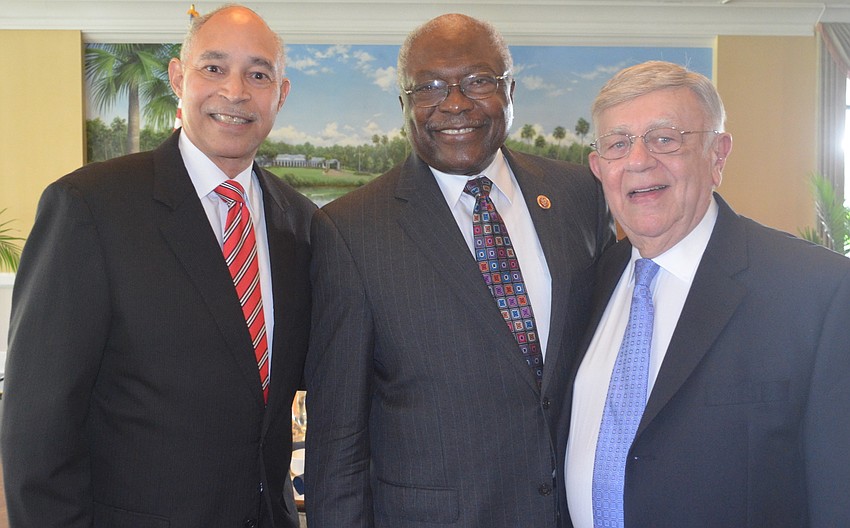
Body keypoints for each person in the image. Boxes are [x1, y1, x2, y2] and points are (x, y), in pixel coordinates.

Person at [1, 5, 315, 527]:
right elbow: (38, 425)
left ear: (280, 95)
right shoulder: (90, 207)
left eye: (258, 75)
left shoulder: (301, 223)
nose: (235, 91)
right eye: (213, 67)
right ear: (178, 78)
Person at [304, 13, 614, 528]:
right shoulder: (351, 229)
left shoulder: (580, 195)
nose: (454, 103)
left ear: (510, 91)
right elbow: (338, 438)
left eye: (478, 81)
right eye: (429, 87)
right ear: (404, 105)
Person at [564, 60, 850, 528]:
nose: (638, 161)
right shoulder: (585, 284)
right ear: (599, 169)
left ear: (718, 155)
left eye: (665, 139)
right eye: (618, 144)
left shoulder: (819, 292)